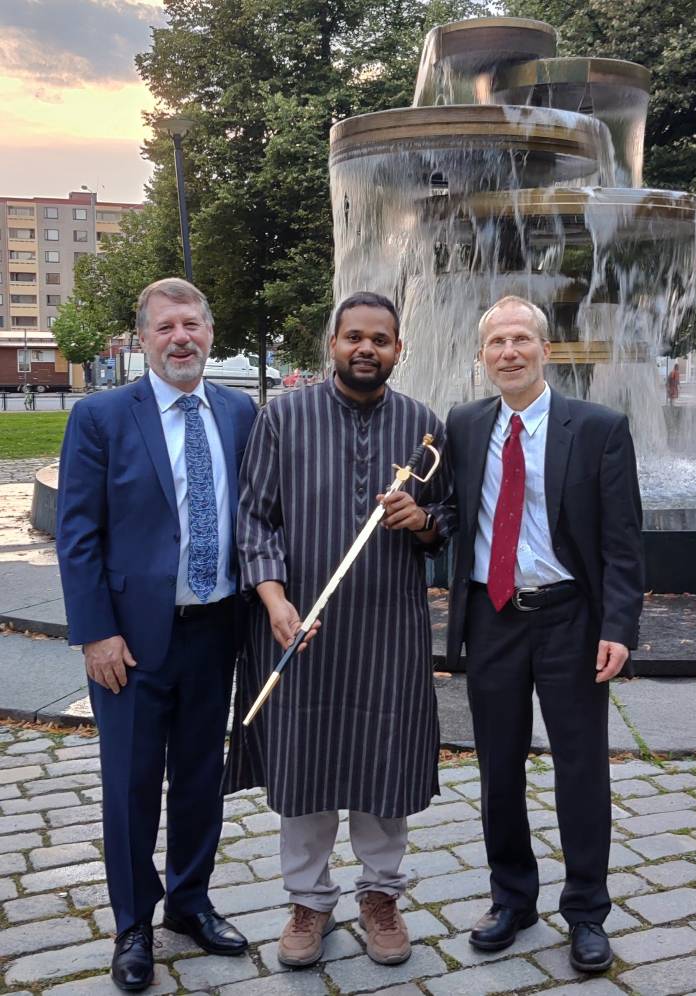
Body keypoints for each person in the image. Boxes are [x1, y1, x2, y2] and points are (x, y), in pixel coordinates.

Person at [225, 291, 453, 969]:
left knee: (384, 759)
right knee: (306, 762)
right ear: (333, 344)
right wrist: (273, 600)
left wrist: (423, 521)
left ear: (398, 349)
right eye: (354, 336)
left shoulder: (423, 426)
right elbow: (254, 519)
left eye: (380, 339)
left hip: (389, 629)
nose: (366, 349)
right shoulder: (283, 417)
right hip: (301, 627)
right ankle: (308, 901)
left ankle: (380, 896)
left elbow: (449, 517)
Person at [56, 278, 256, 992]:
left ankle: (190, 902)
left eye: (192, 325)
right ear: (142, 339)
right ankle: (133, 922)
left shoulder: (239, 412)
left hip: (216, 629)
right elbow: (78, 534)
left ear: (210, 333)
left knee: (201, 777)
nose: (181, 338)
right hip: (131, 643)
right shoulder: (102, 416)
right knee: (131, 784)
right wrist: (96, 633)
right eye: (166, 327)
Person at [445, 295, 643, 973]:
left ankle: (586, 911)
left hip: (570, 619)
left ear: (545, 350)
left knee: (580, 768)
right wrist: (419, 518)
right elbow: (452, 514)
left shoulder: (599, 428)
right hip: (492, 616)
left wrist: (618, 625)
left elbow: (622, 540)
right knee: (498, 767)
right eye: (496, 342)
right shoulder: (465, 425)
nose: (509, 352)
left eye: (521, 339)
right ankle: (512, 900)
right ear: (482, 356)